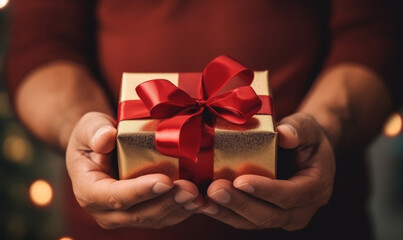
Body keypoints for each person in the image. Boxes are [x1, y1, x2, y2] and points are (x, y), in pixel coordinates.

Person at [5, 0, 401, 239]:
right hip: (114, 233)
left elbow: (372, 32)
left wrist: (325, 125)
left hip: (321, 223)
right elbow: (41, 43)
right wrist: (84, 130)